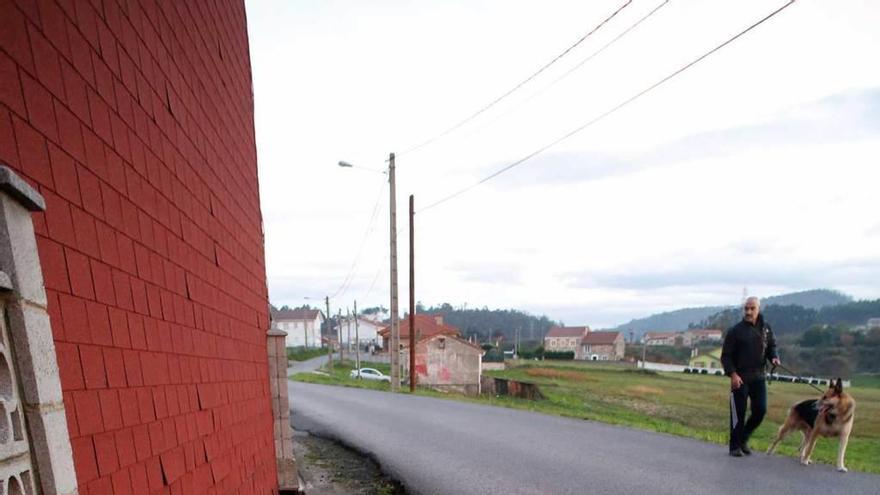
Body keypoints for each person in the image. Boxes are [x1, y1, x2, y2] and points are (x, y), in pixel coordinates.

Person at [721, 296, 780, 457]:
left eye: (752, 308)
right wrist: (732, 374)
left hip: (759, 376)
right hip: (739, 377)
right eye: (746, 308)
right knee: (737, 413)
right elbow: (726, 356)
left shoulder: (766, 329)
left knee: (760, 410)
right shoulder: (735, 331)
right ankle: (734, 446)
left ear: (758, 309)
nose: (748, 311)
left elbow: (771, 347)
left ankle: (744, 438)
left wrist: (774, 357)